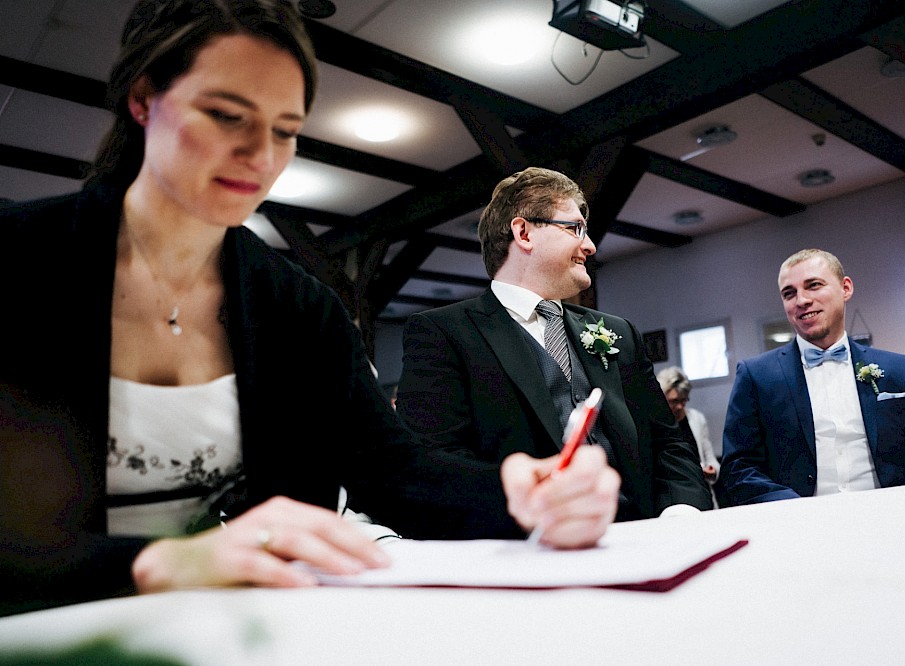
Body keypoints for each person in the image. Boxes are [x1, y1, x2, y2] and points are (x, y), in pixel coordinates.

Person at [0, 0, 618, 616]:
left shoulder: (298, 306)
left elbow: (394, 472)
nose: (260, 154)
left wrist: (517, 491)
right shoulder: (21, 261)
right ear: (143, 99)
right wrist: (159, 561)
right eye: (225, 115)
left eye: (285, 129)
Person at [394, 167, 712, 538]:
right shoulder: (442, 333)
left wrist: (680, 511)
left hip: (645, 536)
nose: (590, 245)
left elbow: (667, 442)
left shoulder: (618, 332)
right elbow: (435, 465)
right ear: (524, 232)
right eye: (574, 228)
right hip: (529, 550)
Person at [719, 248, 905, 506]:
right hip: (799, 525)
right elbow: (738, 469)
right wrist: (794, 509)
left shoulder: (901, 370)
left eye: (813, 285)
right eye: (789, 293)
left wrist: (900, 504)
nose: (801, 300)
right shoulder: (756, 376)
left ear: (845, 288)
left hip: (894, 518)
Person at [656, 366, 721, 508]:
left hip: (702, 494)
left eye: (684, 400)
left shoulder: (697, 419)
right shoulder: (656, 424)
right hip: (672, 499)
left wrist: (712, 471)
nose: (680, 406)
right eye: (674, 401)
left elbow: (711, 459)